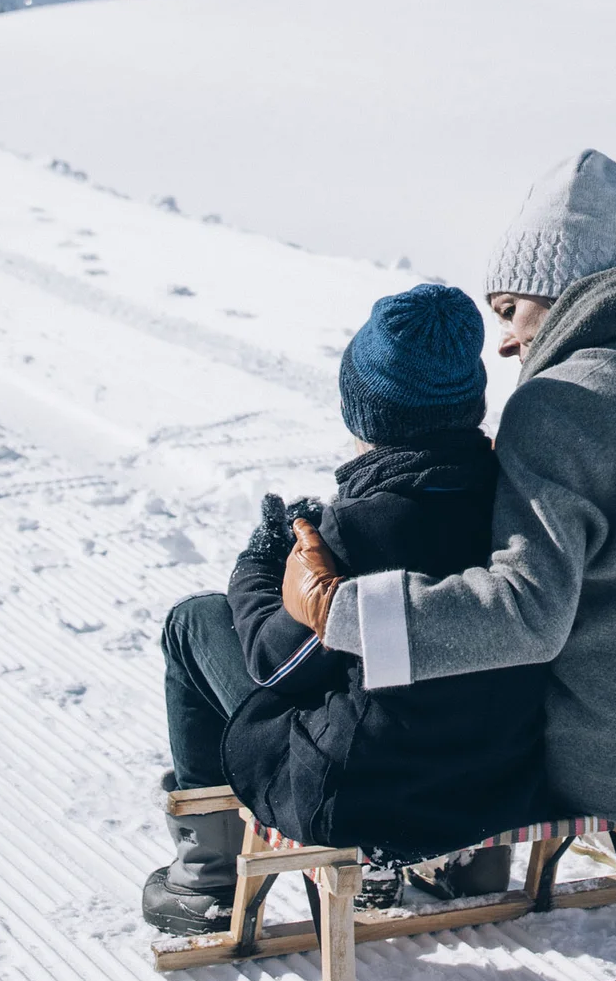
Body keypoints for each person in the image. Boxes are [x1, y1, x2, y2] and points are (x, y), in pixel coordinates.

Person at [284, 150, 616, 831]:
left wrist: (342, 611)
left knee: (483, 698)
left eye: (509, 309)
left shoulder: (562, 404)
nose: (505, 342)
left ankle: (459, 858)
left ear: (563, 289)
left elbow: (524, 615)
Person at [144, 284, 549, 935]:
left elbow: (277, 665)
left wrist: (260, 564)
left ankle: (206, 877)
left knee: (194, 621)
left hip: (375, 799)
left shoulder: (362, 529)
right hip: (496, 783)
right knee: (390, 673)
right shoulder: (519, 511)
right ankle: (472, 867)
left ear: (364, 411)